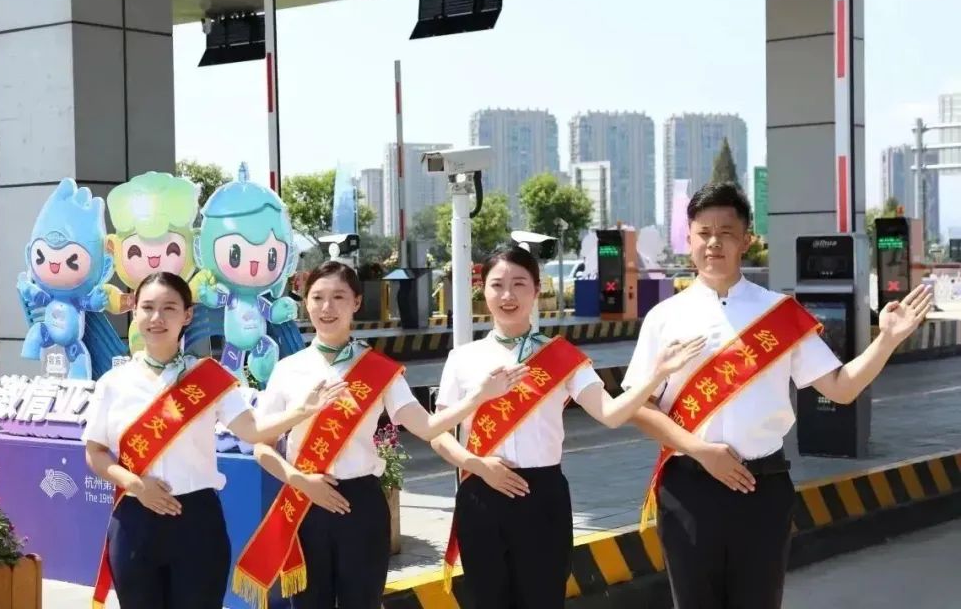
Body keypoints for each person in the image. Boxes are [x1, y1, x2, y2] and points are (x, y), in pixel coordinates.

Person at [623, 182, 932, 609]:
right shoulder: (664, 318)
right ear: (689, 239)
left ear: (746, 240)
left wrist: (887, 340)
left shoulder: (780, 314)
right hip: (688, 488)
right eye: (703, 233)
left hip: (762, 489)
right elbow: (638, 406)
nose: (714, 243)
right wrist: (701, 451)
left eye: (726, 232)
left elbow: (841, 388)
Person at [233, 260, 529, 609]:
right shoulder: (288, 369)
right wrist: (300, 481)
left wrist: (478, 397)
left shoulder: (379, 370)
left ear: (356, 302)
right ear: (306, 303)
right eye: (318, 297)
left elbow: (427, 427)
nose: (327, 308)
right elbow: (262, 446)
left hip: (363, 505)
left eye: (339, 297)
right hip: (306, 502)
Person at [428, 245, 705, 609]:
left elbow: (610, 413)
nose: (508, 295)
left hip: (542, 495)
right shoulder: (463, 358)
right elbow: (437, 432)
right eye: (497, 285)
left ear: (537, 289)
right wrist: (477, 465)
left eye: (519, 284)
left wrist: (657, 375)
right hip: (481, 491)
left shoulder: (562, 357)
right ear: (483, 291)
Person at [82, 271, 345, 609]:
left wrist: (302, 411)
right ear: (134, 312)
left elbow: (253, 431)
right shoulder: (114, 383)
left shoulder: (209, 378)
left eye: (169, 308)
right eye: (147, 307)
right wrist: (135, 484)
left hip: (197, 521)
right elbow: (95, 452)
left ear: (187, 315)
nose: (157, 317)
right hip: (135, 517)